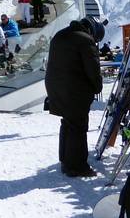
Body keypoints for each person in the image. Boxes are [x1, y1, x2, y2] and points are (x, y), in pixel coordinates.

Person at [44, 16, 105, 177]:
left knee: (68, 123)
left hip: (56, 88)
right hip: (74, 90)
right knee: (78, 127)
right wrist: (97, 86)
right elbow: (93, 69)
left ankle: (66, 161)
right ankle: (77, 167)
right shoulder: (85, 40)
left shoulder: (60, 35)